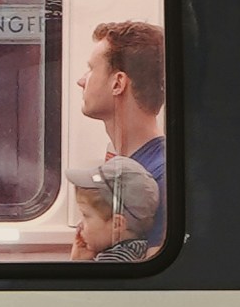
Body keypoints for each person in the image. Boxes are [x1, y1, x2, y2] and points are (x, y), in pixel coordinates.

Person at [65, 17, 171, 261]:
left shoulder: (162, 178)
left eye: (91, 69)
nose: (81, 81)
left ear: (118, 83)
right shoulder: (123, 163)